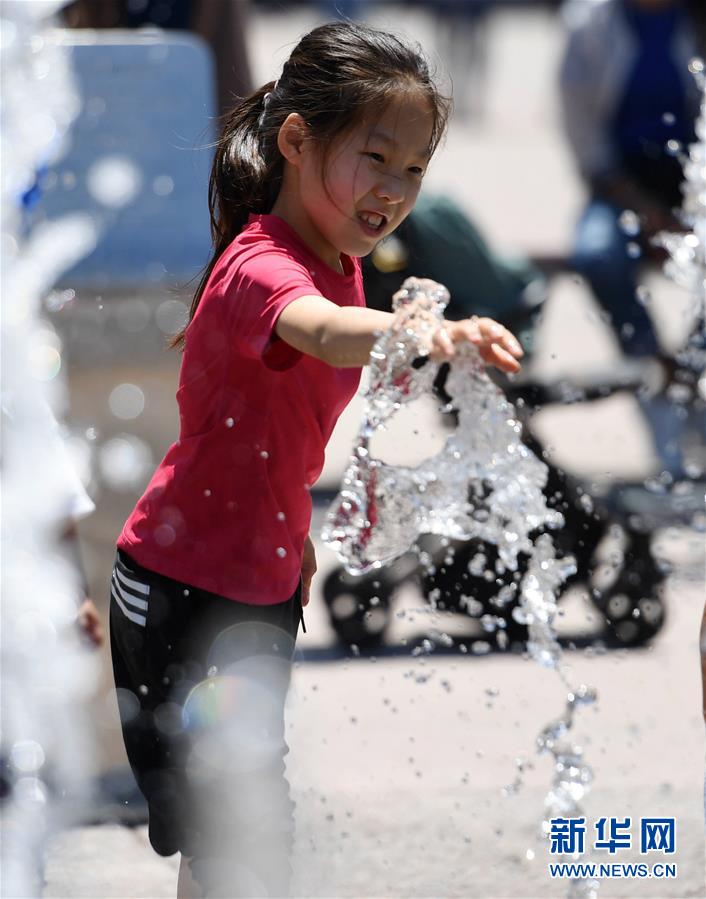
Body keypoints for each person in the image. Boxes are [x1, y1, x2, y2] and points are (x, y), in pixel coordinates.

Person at [109, 21, 524, 898]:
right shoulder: (263, 267)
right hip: (177, 589)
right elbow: (327, 333)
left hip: (258, 588)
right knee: (232, 825)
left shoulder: (339, 259)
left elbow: (277, 428)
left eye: (415, 169)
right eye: (376, 158)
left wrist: (287, 530)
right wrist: (427, 332)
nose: (395, 190)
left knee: (241, 824)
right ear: (296, 141)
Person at [559, 0, 705, 361]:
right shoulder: (590, 23)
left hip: (694, 185)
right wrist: (639, 204)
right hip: (620, 187)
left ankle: (696, 359)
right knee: (598, 254)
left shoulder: (694, 18)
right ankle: (647, 357)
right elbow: (581, 128)